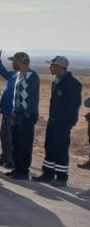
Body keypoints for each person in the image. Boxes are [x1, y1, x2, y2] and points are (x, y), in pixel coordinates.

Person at [33, 56, 83, 186]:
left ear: (60, 67)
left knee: (61, 149)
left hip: (63, 123)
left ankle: (61, 177)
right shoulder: (56, 82)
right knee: (50, 147)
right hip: (53, 121)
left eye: (52, 65)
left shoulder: (72, 84)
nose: (50, 68)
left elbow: (74, 105)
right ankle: (48, 174)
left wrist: (68, 122)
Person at [5, 52, 39, 181]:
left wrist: (28, 113)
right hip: (17, 114)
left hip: (26, 115)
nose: (13, 63)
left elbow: (33, 97)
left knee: (25, 143)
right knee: (16, 142)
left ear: (22, 61)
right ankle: (17, 168)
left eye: (15, 61)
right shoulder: (19, 75)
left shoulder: (32, 76)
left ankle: (24, 170)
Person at [0, 50, 18, 168]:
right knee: (4, 135)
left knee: (11, 137)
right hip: (6, 110)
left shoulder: (24, 77)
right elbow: (3, 72)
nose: (13, 63)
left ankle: (12, 160)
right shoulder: (14, 75)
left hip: (13, 112)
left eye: (14, 61)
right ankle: (4, 157)